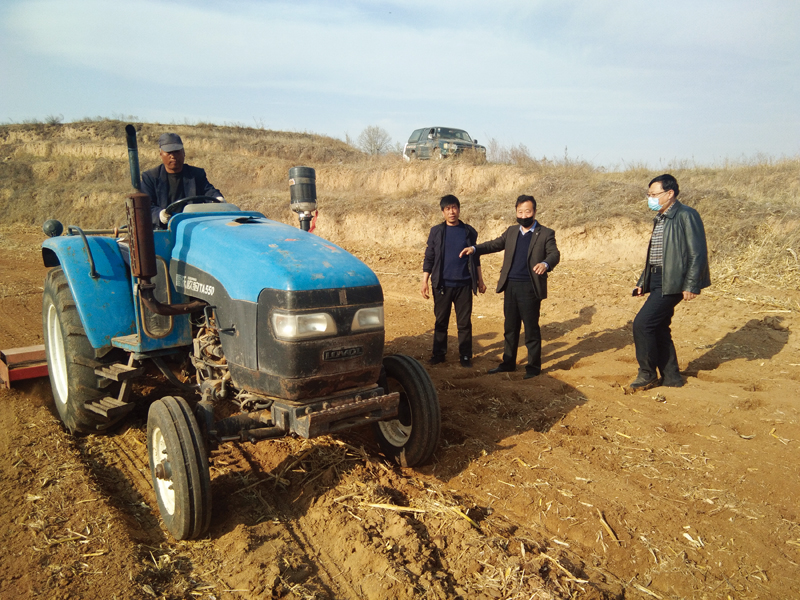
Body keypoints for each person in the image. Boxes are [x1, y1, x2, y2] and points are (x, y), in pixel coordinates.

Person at [460, 195, 560, 379]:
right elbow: (495, 244)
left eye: (527, 211)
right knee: (510, 327)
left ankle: (533, 367)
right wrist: (474, 249)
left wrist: (545, 264)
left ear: (535, 212)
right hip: (510, 286)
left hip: (530, 287)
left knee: (531, 329)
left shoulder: (546, 233)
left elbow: (554, 254)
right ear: (516, 212)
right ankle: (508, 363)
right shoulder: (512, 231)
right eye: (520, 212)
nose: (523, 215)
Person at [628, 174, 710, 391]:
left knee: (643, 324)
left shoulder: (686, 215)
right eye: (649, 195)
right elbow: (655, 256)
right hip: (656, 278)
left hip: (672, 280)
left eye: (654, 194)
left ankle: (646, 374)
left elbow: (698, 252)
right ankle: (672, 377)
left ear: (670, 193)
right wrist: (642, 282)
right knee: (659, 328)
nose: (650, 198)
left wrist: (691, 284)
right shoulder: (661, 217)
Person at [421, 195, 487, 367]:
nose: (452, 212)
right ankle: (439, 354)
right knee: (441, 321)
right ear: (443, 212)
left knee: (464, 323)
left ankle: (465, 356)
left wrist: (480, 280)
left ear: (459, 209)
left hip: (464, 285)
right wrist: (424, 282)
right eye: (448, 209)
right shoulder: (436, 231)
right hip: (442, 285)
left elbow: (476, 257)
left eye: (454, 208)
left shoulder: (469, 231)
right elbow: (429, 257)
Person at [141, 133, 224, 228]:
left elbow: (209, 191)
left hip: (193, 226)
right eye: (169, 152)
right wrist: (160, 214)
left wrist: (217, 198)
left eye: (177, 152)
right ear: (161, 154)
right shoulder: (150, 177)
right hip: (163, 229)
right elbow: (146, 207)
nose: (173, 156)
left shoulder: (196, 174)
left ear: (183, 153)